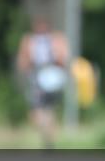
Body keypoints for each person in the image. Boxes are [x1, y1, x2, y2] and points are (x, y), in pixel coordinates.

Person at [16, 16, 70, 148]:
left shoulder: (57, 39)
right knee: (36, 110)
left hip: (52, 75)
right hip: (36, 75)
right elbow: (22, 62)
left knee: (49, 109)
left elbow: (64, 58)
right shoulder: (29, 40)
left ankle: (50, 140)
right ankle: (47, 136)